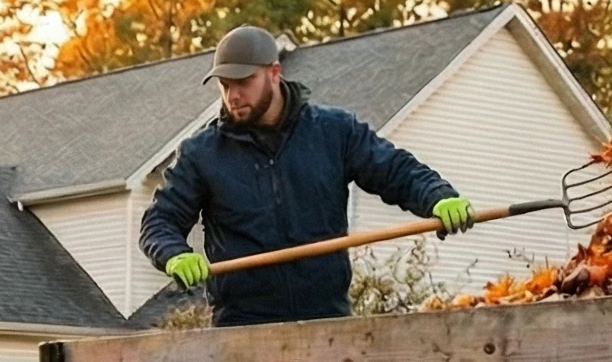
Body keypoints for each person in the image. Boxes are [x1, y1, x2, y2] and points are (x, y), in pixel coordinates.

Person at [141, 25, 475, 326]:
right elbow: (160, 221)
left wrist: (438, 196)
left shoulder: (334, 132)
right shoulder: (202, 153)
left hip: (327, 318)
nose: (234, 96)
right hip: (242, 326)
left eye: (244, 82)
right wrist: (174, 253)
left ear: (274, 73)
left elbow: (396, 170)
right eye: (225, 86)